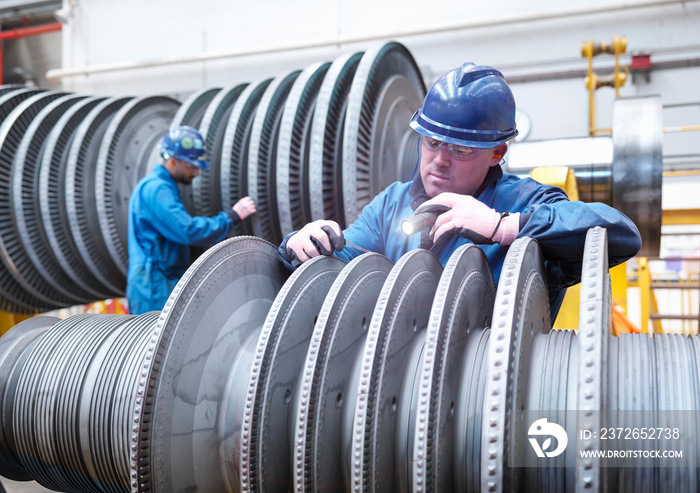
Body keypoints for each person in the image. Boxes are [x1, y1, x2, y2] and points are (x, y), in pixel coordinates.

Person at [278, 63, 642, 320]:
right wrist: (302, 244)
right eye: (432, 142)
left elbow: (622, 235)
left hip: (493, 393)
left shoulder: (522, 202)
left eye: (460, 149)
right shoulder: (391, 206)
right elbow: (341, 263)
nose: (439, 160)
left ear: (497, 153)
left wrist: (503, 228)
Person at [127, 125, 256, 314]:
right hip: (154, 288)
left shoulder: (159, 187)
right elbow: (188, 230)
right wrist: (232, 216)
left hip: (159, 282)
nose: (197, 173)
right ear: (172, 161)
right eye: (191, 166)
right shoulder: (157, 190)